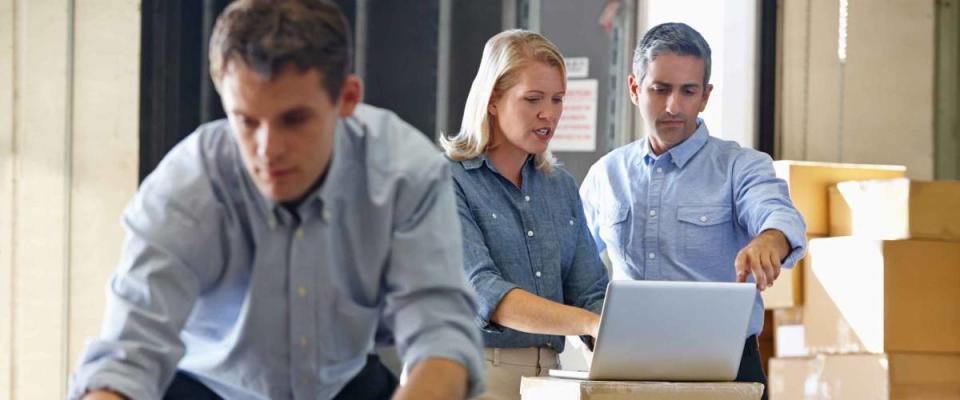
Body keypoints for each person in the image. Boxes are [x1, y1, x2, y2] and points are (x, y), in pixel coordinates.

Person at [69, 1, 484, 399]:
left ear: (346, 99)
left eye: (294, 120)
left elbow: (441, 337)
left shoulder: (405, 174)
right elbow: (128, 356)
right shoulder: (185, 188)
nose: (268, 150)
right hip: (205, 387)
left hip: (341, 385)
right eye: (246, 121)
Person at [579, 22, 807, 400]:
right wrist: (586, 324)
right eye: (660, 89)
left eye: (688, 91)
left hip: (726, 367)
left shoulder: (740, 166)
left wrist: (770, 239)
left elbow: (777, 212)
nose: (674, 106)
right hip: (628, 364)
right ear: (635, 89)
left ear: (705, 96)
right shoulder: (607, 174)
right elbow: (574, 263)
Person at [441, 30, 610, 400]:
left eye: (558, 99)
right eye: (532, 99)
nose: (548, 114)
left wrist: (618, 329)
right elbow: (485, 292)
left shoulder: (561, 187)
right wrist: (590, 323)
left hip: (551, 378)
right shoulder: (445, 181)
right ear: (492, 101)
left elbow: (590, 291)